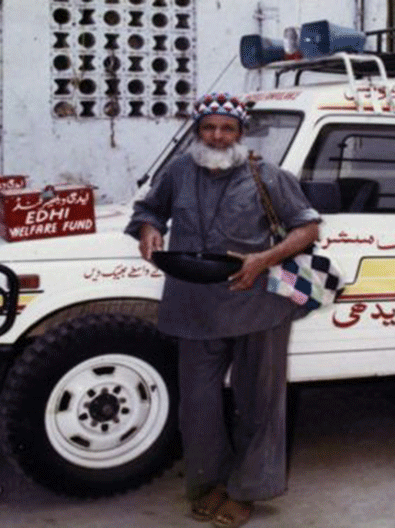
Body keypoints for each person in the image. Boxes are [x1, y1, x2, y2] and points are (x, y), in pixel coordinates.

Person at [125, 92, 321, 528]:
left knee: (258, 403)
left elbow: (307, 227)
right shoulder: (178, 170)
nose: (216, 136)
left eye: (226, 128)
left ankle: (246, 490)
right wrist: (148, 229)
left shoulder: (266, 174)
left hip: (258, 304)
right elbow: (149, 208)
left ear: (241, 133)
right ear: (197, 131)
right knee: (197, 405)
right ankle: (208, 483)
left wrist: (263, 260)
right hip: (194, 304)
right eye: (208, 128)